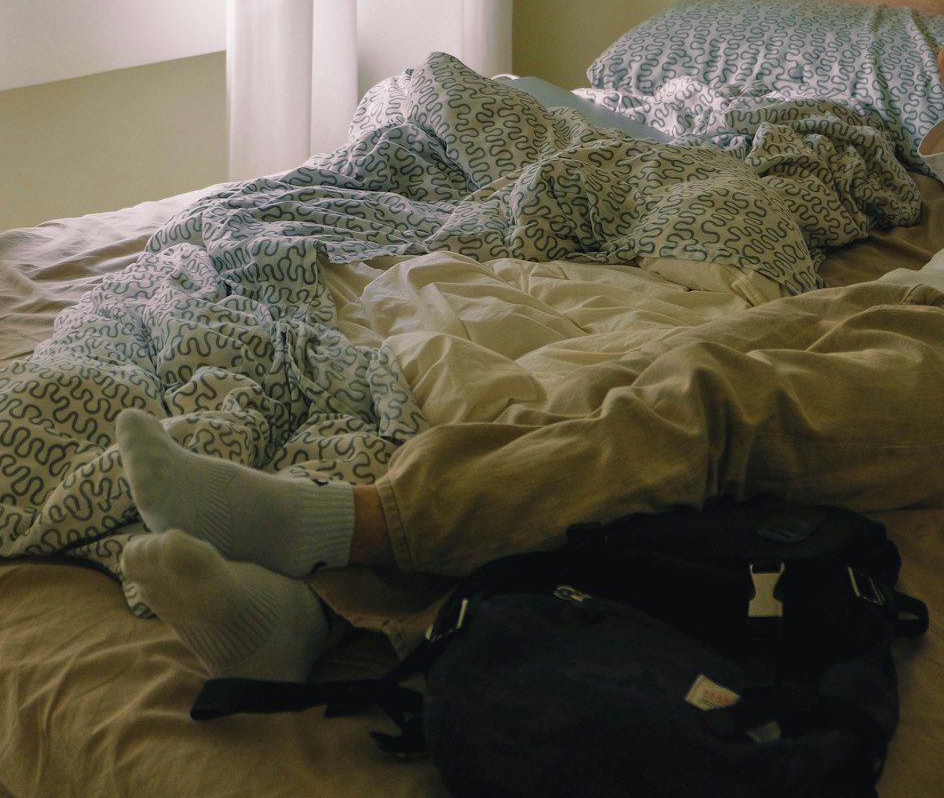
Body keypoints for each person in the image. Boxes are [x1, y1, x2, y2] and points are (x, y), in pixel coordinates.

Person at [120, 266, 944, 684]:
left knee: (713, 409)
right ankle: (315, 619)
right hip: (910, 288)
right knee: (627, 383)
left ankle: (340, 526)